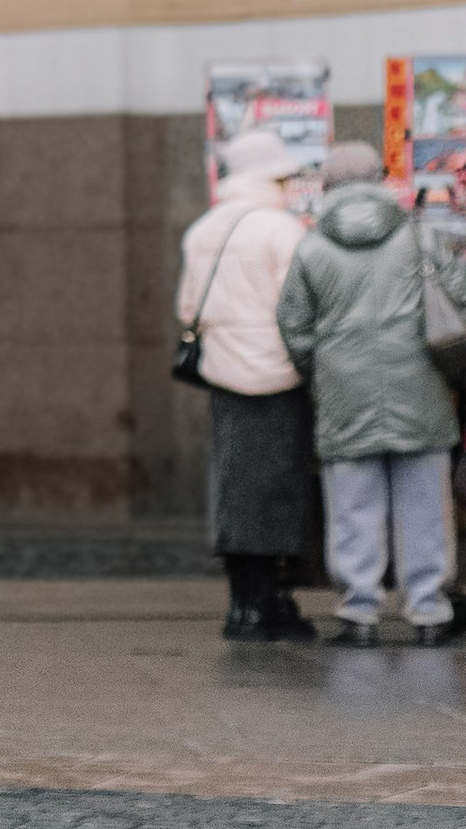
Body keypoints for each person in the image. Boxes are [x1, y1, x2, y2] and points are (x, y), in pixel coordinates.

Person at [278, 137, 461, 645]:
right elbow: (460, 297)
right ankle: (428, 610)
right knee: (425, 502)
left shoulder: (311, 246)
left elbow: (293, 324)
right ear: (380, 180)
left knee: (353, 505)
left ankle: (360, 611)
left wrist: (321, 370)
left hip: (344, 389)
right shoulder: (419, 236)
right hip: (418, 384)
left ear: (329, 186)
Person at [176, 126, 318, 642]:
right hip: (280, 378)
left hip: (223, 379)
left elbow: (188, 309)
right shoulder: (282, 230)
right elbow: (299, 310)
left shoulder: (201, 230)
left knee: (235, 488)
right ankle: (266, 603)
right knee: (280, 489)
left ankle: (242, 602)